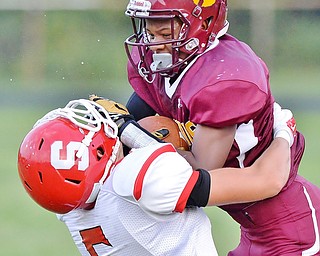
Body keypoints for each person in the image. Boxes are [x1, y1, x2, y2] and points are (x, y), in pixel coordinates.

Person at [121, 0, 320, 255]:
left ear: (203, 23)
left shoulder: (223, 77)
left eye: (166, 33)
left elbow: (198, 173)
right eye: (150, 32)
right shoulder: (173, 65)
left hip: (292, 232)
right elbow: (131, 122)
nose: (154, 44)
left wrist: (130, 134)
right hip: (257, 230)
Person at [18, 99, 293, 256]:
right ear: (95, 154)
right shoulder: (138, 179)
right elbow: (268, 180)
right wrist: (284, 131)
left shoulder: (71, 209)